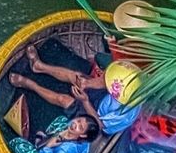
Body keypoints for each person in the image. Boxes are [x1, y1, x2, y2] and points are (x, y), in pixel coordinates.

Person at [13, 42, 144, 136]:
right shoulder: (124, 78)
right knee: (75, 76)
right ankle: (39, 66)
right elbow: (104, 82)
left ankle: (30, 85)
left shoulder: (124, 114)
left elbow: (99, 125)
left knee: (64, 99)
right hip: (102, 97)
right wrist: (87, 83)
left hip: (96, 118)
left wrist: (85, 101)